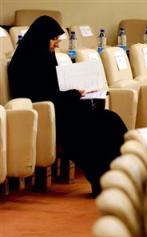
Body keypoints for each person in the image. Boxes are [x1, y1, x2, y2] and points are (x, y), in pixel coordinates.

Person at [8, 15, 128, 197]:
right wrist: (73, 94)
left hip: (63, 109)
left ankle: (121, 176)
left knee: (110, 119)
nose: (56, 44)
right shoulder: (24, 63)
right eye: (53, 39)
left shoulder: (45, 57)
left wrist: (76, 93)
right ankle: (102, 181)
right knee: (99, 126)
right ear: (42, 38)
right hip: (49, 116)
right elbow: (38, 96)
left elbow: (55, 89)